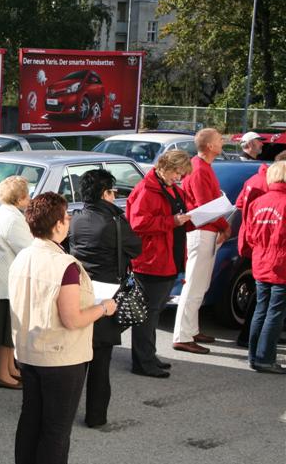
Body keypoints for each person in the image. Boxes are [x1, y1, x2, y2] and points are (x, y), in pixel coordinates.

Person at [9, 192, 116, 464]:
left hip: (28, 351)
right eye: (67, 217)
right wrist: (103, 308)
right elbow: (72, 319)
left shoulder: (24, 256)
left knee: (30, 422)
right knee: (56, 431)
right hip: (60, 357)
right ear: (57, 223)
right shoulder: (64, 265)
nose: (69, 221)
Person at [68, 169, 142, 428]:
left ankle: (65, 412)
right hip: (107, 296)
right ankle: (96, 416)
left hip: (77, 291)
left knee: (76, 359)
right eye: (113, 192)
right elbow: (136, 247)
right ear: (105, 193)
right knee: (100, 362)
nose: (115, 197)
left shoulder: (75, 218)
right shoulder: (115, 222)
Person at [125, 149, 194, 378]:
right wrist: (171, 221)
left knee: (153, 312)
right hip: (151, 259)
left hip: (167, 258)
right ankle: (142, 362)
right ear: (165, 166)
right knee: (147, 313)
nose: (179, 178)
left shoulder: (169, 188)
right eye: (177, 172)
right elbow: (138, 223)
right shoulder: (147, 189)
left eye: (181, 174)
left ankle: (148, 355)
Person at [173, 128, 231, 354]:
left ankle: (191, 329)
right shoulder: (199, 169)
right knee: (194, 285)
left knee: (200, 284)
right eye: (218, 140)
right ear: (209, 146)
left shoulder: (202, 167)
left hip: (206, 230)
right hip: (201, 230)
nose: (222, 142)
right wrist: (224, 225)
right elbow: (203, 206)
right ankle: (183, 335)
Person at [0, 176, 34, 390]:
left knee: (9, 332)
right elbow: (27, 247)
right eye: (27, 195)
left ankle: (11, 368)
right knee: (7, 333)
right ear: (20, 198)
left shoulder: (5, 212)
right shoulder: (13, 218)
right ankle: (3, 374)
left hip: (1, 282)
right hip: (6, 286)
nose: (29, 199)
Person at [233, 150, 286, 345]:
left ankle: (253, 346)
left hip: (258, 250)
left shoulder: (256, 188)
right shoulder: (273, 194)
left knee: (261, 303)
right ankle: (261, 350)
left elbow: (242, 209)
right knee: (270, 307)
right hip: (273, 255)